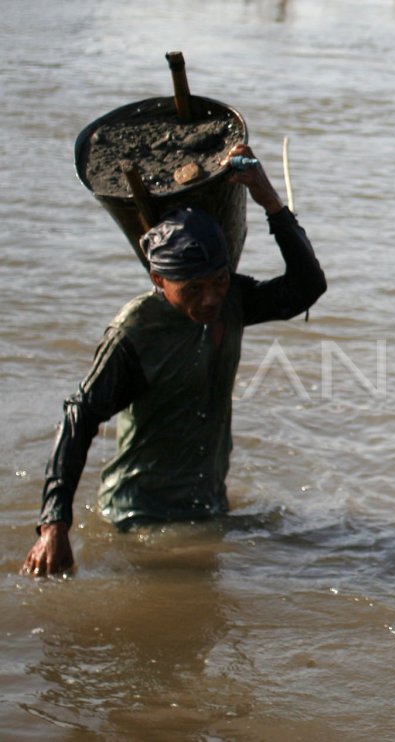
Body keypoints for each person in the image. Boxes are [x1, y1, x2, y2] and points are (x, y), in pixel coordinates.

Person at [21, 143, 327, 577]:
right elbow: (79, 417)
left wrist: (270, 201)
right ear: (158, 279)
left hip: (208, 503)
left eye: (218, 282)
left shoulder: (232, 301)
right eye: (193, 289)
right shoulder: (136, 334)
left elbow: (307, 286)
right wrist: (54, 524)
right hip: (140, 518)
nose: (209, 299)